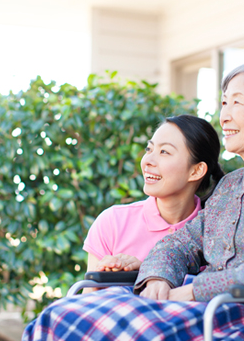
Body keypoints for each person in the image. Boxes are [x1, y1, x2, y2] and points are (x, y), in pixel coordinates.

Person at [23, 60, 244, 341]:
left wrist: (198, 290)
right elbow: (181, 242)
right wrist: (159, 275)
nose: (224, 115)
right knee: (67, 314)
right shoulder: (229, 186)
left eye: (237, 103)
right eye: (224, 103)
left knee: (127, 328)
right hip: (211, 307)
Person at [83, 114, 224, 275]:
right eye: (149, 149)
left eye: (164, 151)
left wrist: (147, 272)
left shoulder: (219, 232)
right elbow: (89, 295)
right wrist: (104, 275)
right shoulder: (112, 222)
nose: (148, 160)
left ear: (196, 170)